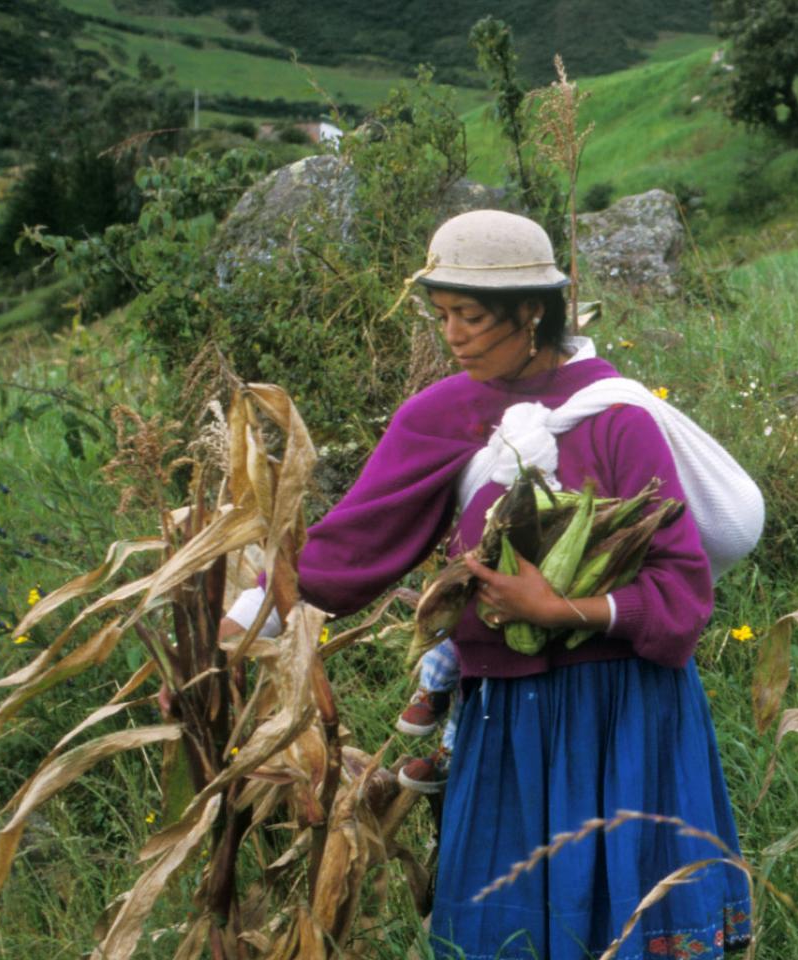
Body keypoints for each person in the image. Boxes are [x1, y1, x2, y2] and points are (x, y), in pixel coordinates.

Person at [220, 210, 753, 958]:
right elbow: (358, 537)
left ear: (532, 310)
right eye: (443, 316)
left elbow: (683, 593)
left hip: (622, 711)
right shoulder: (440, 416)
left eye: (470, 315)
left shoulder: (617, 418)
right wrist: (248, 620)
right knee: (507, 927)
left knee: (621, 916)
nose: (453, 335)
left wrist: (562, 607)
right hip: (509, 717)